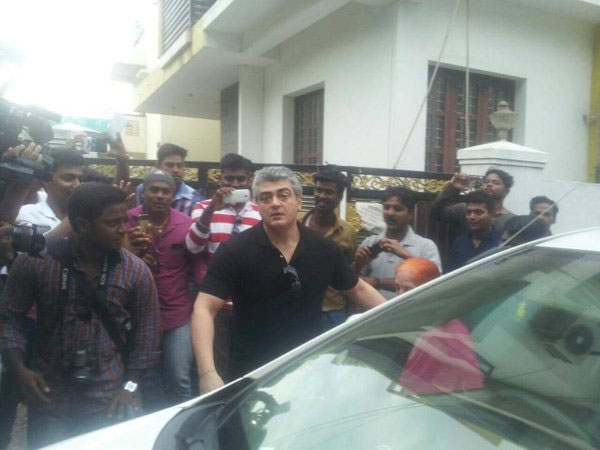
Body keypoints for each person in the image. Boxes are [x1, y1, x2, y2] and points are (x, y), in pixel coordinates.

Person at [191, 166, 385, 394]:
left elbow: (358, 289)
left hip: (307, 369)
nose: (275, 203)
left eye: (283, 196)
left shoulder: (323, 249)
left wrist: (406, 319)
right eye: (266, 198)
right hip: (251, 372)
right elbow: (204, 308)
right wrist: (207, 373)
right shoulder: (235, 251)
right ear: (257, 205)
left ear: (299, 201)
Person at [0, 183, 161, 448]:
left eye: (123, 220)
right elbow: (9, 319)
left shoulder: (135, 271)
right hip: (48, 396)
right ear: (83, 225)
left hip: (107, 400)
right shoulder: (37, 261)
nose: (123, 229)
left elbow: (147, 334)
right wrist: (20, 370)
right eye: (112, 223)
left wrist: (130, 387)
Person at [185, 153, 260, 380]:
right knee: (217, 368)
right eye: (229, 179)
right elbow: (193, 247)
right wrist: (212, 210)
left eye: (240, 179)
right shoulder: (203, 207)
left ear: (250, 180)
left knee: (248, 367)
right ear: (220, 179)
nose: (234, 184)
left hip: (251, 305)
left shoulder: (260, 213)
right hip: (214, 306)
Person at [126, 171, 197, 406]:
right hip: (139, 314)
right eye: (154, 190)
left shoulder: (185, 223)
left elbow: (195, 264)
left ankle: (183, 420)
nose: (159, 195)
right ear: (143, 192)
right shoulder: (128, 221)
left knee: (179, 376)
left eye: (166, 191)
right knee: (148, 379)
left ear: (173, 195)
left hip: (177, 313)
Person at [354, 187, 441, 299]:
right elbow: (354, 282)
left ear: (410, 214)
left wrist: (406, 255)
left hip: (409, 308)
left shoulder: (426, 246)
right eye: (386, 208)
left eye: (397, 209)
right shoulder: (370, 242)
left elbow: (435, 284)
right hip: (374, 308)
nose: (390, 213)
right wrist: (358, 264)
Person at [298, 168, 356, 330]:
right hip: (299, 307)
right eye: (318, 190)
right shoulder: (295, 223)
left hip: (333, 311)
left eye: (329, 192)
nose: (322, 196)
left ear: (340, 197)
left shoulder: (348, 232)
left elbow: (349, 273)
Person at [15, 148, 85, 238]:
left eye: (81, 179)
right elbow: (31, 246)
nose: (77, 185)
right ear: (46, 181)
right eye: (68, 178)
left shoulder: (89, 215)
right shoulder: (28, 213)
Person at [430, 168, 515, 232]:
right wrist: (452, 188)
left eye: (496, 183)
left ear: (506, 191)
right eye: (486, 182)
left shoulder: (510, 219)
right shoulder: (465, 209)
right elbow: (435, 213)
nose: (489, 184)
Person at [135, 143, 204, 216]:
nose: (176, 170)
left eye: (180, 166)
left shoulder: (195, 199)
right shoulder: (143, 189)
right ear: (158, 166)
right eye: (170, 165)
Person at [450, 190, 501, 270]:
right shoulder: (460, 242)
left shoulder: (500, 242)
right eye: (468, 212)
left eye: (478, 212)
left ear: (492, 214)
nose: (472, 217)